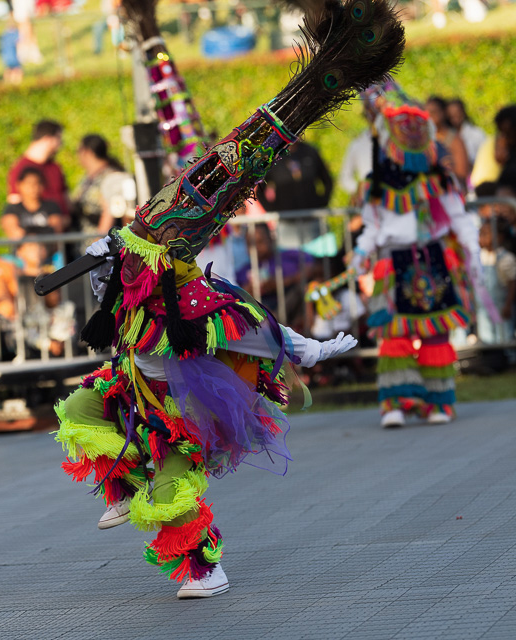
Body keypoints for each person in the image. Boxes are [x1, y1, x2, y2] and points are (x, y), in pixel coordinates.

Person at [53, 0, 402, 599]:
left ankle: (204, 569)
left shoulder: (187, 295)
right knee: (84, 412)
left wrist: (305, 348)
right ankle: (129, 484)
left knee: (174, 487)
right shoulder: (133, 264)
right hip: (136, 387)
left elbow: (250, 325)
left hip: (183, 405)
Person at [351, 82, 480, 428]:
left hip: (433, 257)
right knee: (394, 335)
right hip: (393, 261)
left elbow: (458, 215)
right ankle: (397, 402)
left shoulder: (438, 176)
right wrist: (361, 252)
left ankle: (439, 402)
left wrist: (473, 249)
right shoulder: (377, 181)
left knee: (436, 333)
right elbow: (373, 226)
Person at [236, 223, 315, 331]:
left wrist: (283, 282)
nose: (256, 248)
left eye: (260, 242)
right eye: (250, 244)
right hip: (264, 310)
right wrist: (252, 288)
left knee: (304, 288)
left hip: (290, 303)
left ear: (271, 239)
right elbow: (237, 294)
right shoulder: (243, 270)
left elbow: (313, 267)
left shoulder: (288, 256)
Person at [7, 120, 69, 220]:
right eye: (58, 139)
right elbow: (15, 204)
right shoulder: (21, 168)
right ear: (47, 139)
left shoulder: (55, 167)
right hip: (40, 231)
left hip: (63, 230)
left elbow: (65, 198)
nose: (60, 144)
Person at [71, 134, 129, 234]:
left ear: (87, 152)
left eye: (78, 151)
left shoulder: (112, 177)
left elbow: (109, 212)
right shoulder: (88, 177)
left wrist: (98, 244)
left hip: (101, 241)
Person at [255, 140, 333, 212]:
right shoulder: (273, 156)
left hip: (311, 216)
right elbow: (260, 190)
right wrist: (273, 209)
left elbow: (327, 180)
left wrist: (321, 203)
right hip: (286, 219)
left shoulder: (310, 152)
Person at [476, 217, 516, 345]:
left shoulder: (505, 258)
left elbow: (512, 282)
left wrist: (508, 304)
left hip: (501, 306)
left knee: (504, 336)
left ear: (499, 237)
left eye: (485, 234)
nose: (480, 238)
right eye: (480, 234)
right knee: (486, 337)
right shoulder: (479, 256)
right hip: (483, 307)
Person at [1, 167, 64, 239]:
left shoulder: (52, 206)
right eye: (29, 183)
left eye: (36, 183)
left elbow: (55, 230)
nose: (33, 187)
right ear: (19, 185)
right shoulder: (12, 209)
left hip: (48, 249)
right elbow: (14, 232)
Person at [426, 96, 470, 187]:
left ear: (443, 113)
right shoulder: (426, 139)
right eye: (426, 113)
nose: (429, 116)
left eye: (433, 112)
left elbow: (462, 173)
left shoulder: (454, 140)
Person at [447, 98, 487, 168]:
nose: (454, 116)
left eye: (457, 112)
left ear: (463, 113)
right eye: (451, 114)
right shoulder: (446, 136)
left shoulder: (477, 134)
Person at [1, 16, 23, 84]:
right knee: (16, 70)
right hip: (13, 55)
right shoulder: (16, 33)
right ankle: (16, 83)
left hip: (7, 55)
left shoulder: (5, 34)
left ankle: (8, 83)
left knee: (9, 69)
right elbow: (19, 43)